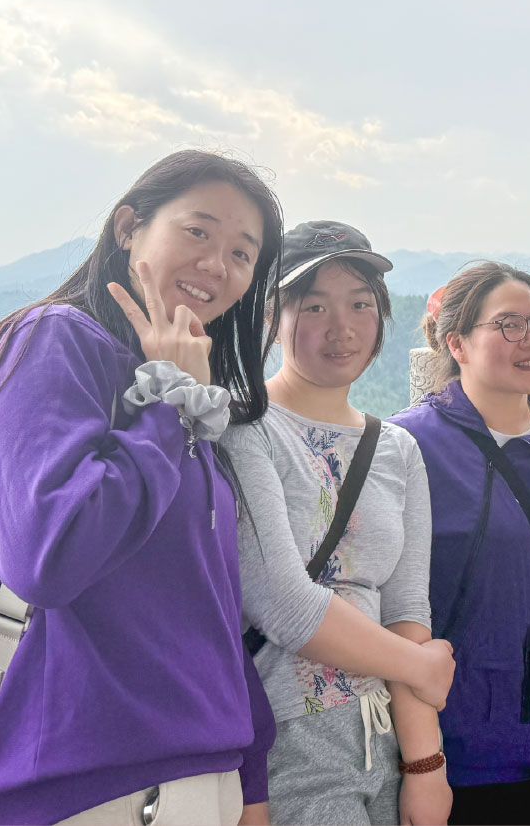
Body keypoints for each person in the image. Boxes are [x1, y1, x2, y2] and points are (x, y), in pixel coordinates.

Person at [0, 150, 283, 825]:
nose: (218, 264)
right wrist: (173, 405)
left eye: (242, 254)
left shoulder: (172, 399)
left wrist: (250, 775)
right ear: (129, 227)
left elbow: (207, 607)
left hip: (199, 778)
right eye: (197, 232)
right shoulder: (54, 342)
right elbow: (49, 554)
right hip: (93, 787)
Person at [223, 221, 458, 825]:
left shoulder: (398, 449)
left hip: (382, 730)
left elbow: (407, 610)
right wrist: (422, 667)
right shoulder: (244, 429)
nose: (341, 327)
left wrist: (426, 766)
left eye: (360, 304)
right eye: (314, 306)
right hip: (284, 734)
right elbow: (279, 600)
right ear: (273, 317)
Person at [389, 261, 530, 823]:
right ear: (457, 343)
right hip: (453, 737)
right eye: (510, 325)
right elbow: (391, 596)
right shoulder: (410, 446)